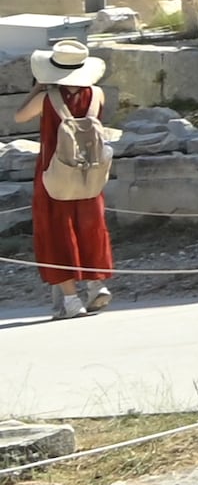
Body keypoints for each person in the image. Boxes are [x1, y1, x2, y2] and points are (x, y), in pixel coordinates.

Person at [19, 38, 116, 316]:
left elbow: (20, 117)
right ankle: (97, 285)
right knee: (91, 228)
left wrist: (37, 87)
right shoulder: (96, 94)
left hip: (54, 175)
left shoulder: (46, 98)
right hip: (88, 174)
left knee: (56, 234)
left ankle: (72, 301)